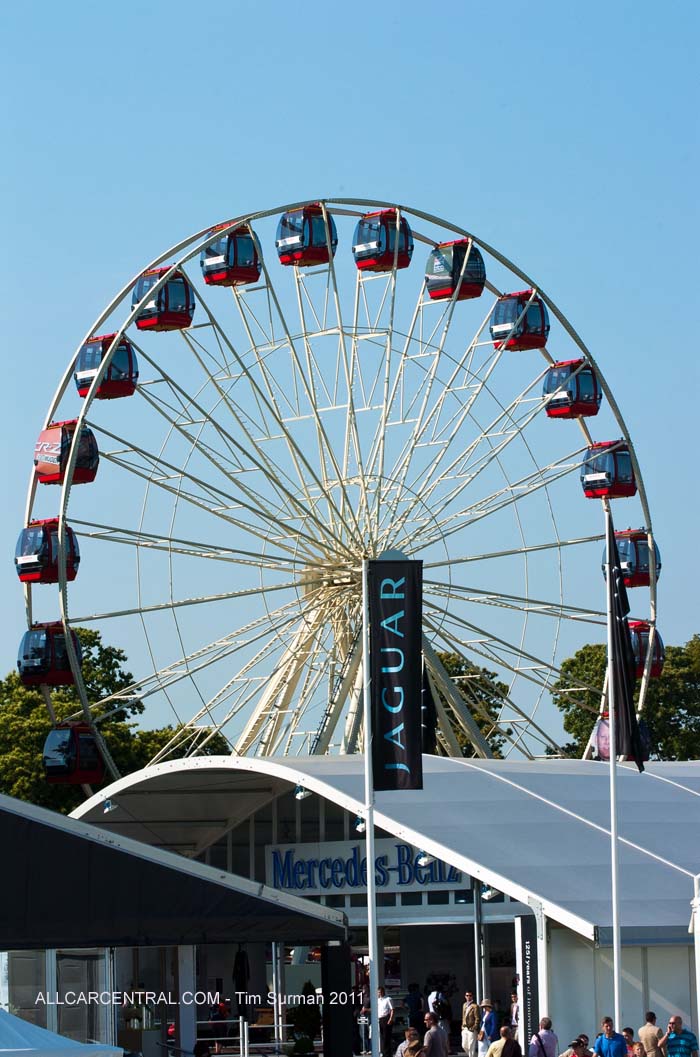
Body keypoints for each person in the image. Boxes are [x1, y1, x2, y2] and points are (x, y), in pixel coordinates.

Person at [462, 990, 481, 1057]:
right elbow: (463, 1016)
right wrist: (462, 1026)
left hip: (472, 1028)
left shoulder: (475, 1006)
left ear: (472, 996)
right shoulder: (464, 1005)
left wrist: (474, 1027)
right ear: (465, 996)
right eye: (467, 995)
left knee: (471, 1046)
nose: (468, 997)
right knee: (464, 1045)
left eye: (470, 995)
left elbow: (477, 1018)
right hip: (465, 1028)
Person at [378, 987, 395, 1057]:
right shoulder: (378, 1000)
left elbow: (392, 1009)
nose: (379, 993)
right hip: (380, 1019)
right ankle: (384, 1053)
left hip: (386, 1018)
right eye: (378, 992)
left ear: (383, 991)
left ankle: (387, 1054)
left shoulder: (388, 999)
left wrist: (391, 1019)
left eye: (381, 991)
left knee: (387, 1037)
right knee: (382, 1037)